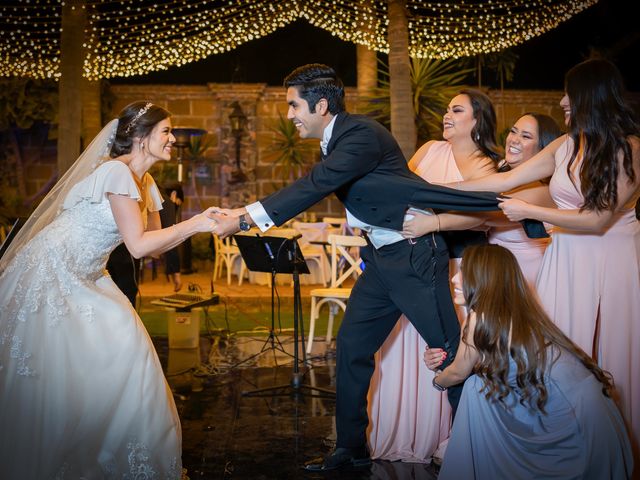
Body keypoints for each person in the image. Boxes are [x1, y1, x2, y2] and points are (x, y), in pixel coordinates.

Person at [209, 63, 505, 471]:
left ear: (322, 104)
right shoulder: (338, 138)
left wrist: (244, 219)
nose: (290, 115)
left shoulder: (360, 135)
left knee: (453, 355)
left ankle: (474, 450)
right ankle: (350, 450)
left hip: (416, 257)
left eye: (294, 106)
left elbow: (315, 184)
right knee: (352, 348)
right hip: (382, 262)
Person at [0, 101, 219, 478]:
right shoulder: (116, 172)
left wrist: (209, 221)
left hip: (89, 274)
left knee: (128, 349)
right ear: (139, 136)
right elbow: (137, 246)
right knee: (55, 367)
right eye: (165, 131)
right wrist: (196, 223)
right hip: (54, 271)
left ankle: (124, 455)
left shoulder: (145, 182)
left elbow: (153, 240)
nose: (172, 138)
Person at [456, 58, 640, 467]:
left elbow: (598, 219)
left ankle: (618, 457)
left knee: (616, 359)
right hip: (566, 260)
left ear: (591, 97)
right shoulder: (565, 144)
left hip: (612, 262)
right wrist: (437, 188)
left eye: (569, 94)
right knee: (557, 359)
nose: (561, 101)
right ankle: (559, 455)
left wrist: (530, 211)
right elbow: (504, 180)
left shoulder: (631, 148)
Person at [367, 88, 501, 463]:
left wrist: (433, 223)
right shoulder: (427, 150)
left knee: (448, 345)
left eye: (456, 110)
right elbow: (398, 189)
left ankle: (454, 434)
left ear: (477, 120)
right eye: (446, 109)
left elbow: (484, 217)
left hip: (456, 266)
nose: (447, 115)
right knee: (402, 345)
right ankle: (405, 428)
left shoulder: (486, 166)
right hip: (407, 262)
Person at [423, 244, 633, 479]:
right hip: (591, 411)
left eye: (463, 271)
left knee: (474, 389)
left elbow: (458, 373)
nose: (453, 278)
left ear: (484, 277)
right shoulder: (517, 313)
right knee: (479, 387)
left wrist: (437, 381)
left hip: (572, 419)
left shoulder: (478, 318)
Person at [160, 183, 184, 292]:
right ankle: (176, 276)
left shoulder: (159, 195)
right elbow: (170, 235)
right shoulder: (167, 202)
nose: (177, 206)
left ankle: (173, 273)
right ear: (174, 194)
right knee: (172, 239)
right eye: (178, 203)